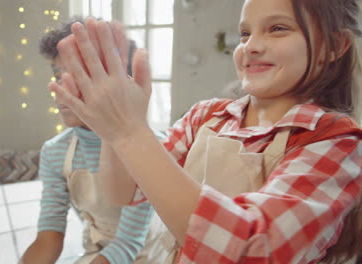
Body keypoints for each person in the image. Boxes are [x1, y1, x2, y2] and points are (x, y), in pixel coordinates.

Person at [49, 0, 362, 263]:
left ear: (335, 45)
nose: (251, 46)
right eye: (244, 33)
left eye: (278, 28)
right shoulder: (205, 116)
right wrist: (112, 130)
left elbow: (253, 249)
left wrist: (131, 133)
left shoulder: (336, 142)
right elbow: (124, 193)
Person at [20, 17, 166, 264]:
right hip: (98, 252)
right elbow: (49, 236)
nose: (60, 90)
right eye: (58, 77)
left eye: (77, 78)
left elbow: (129, 242)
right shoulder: (55, 152)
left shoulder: (153, 148)